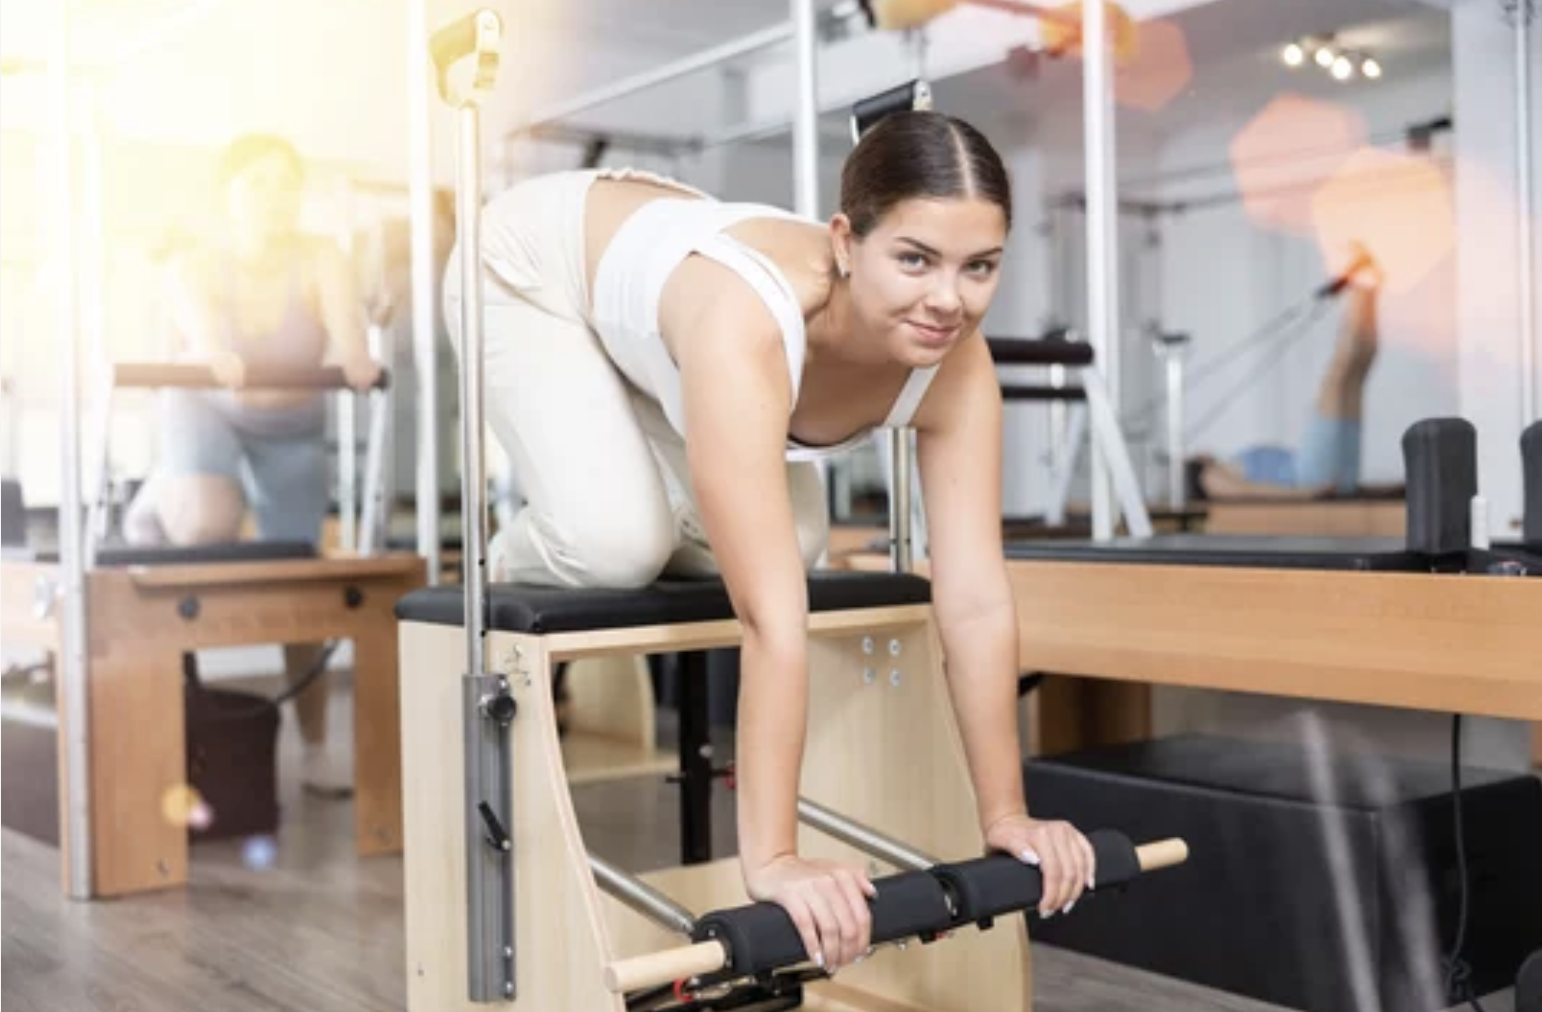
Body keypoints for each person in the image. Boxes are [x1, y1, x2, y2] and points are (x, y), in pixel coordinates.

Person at [441, 110, 1096, 972]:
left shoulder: (958, 367)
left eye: (980, 267)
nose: (949, 299)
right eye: (915, 258)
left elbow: (973, 598)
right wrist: (774, 858)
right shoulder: (749, 317)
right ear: (845, 241)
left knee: (797, 534)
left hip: (656, 293)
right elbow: (772, 621)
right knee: (618, 541)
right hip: (530, 265)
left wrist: (1006, 814)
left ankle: (634, 484)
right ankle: (530, 543)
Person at [123, 133, 382, 796]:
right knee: (209, 525)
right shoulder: (198, 264)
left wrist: (357, 359)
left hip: (292, 424)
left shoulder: (322, 255)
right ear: (228, 197)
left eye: (285, 184)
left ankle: (318, 748)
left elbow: (350, 331)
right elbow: (203, 329)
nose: (275, 198)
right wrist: (212, 350)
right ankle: (163, 493)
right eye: (258, 184)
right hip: (207, 410)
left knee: (299, 579)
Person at [1188, 251, 1387, 501]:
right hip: (1311, 477)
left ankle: (1368, 289)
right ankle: (1364, 285)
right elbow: (1253, 493)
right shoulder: (1210, 477)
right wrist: (1305, 494)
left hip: (1323, 475)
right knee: (1340, 374)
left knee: (1355, 373)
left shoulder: (1226, 465)